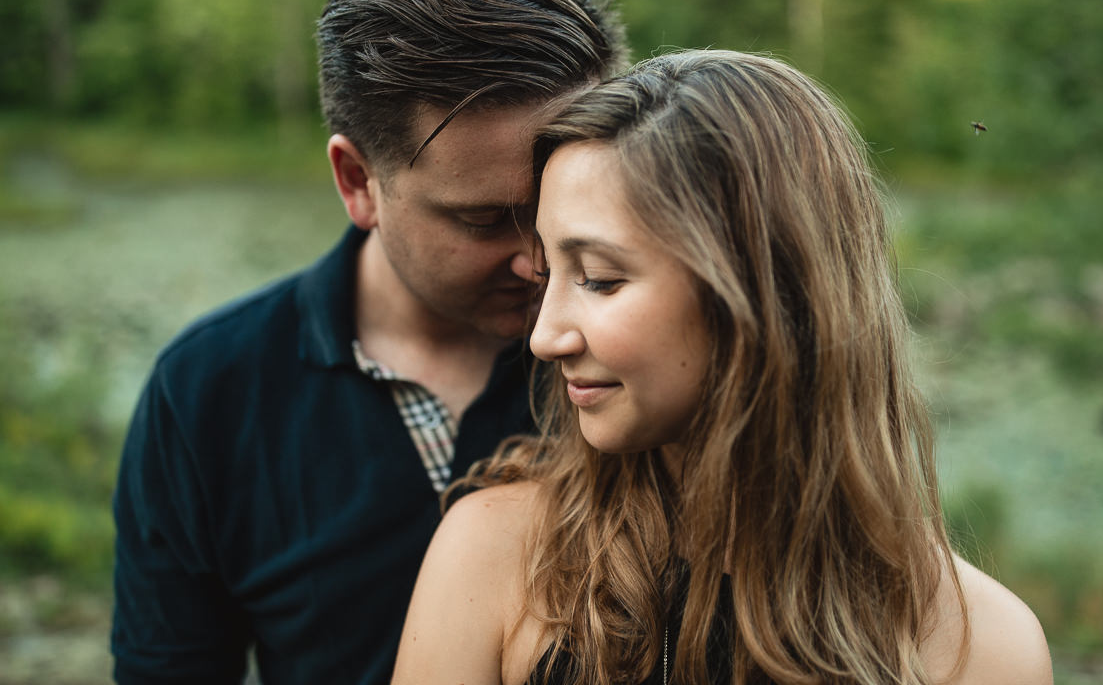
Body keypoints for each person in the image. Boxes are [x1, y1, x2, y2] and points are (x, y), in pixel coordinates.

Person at [391, 50, 1054, 685]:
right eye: (548, 271)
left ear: (759, 293)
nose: (544, 336)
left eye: (597, 278)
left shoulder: (982, 651)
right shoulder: (497, 559)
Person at [110, 0, 626, 685]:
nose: (538, 262)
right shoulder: (208, 394)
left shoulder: (648, 358)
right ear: (358, 182)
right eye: (487, 220)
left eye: (561, 208)